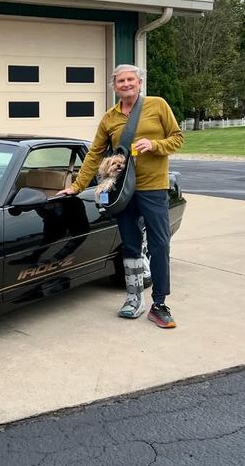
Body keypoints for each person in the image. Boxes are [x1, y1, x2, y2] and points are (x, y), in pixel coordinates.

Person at [57, 64, 184, 328]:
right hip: (123, 191)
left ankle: (159, 303)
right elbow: (94, 154)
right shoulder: (109, 118)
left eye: (130, 80)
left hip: (153, 187)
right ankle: (134, 298)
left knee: (160, 244)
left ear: (139, 82)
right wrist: (77, 186)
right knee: (129, 244)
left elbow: (178, 138)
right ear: (114, 86)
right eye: (120, 81)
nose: (126, 84)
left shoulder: (157, 106)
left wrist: (155, 145)